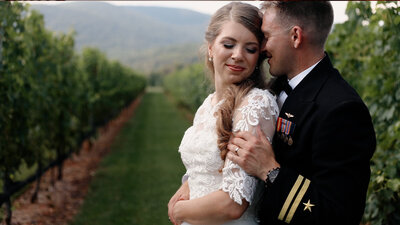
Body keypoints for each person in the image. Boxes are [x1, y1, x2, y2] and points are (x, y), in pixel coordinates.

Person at [226, 2, 376, 225]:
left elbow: (339, 215)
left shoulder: (341, 109)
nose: (262, 47)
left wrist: (270, 170)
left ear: (296, 36)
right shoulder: (271, 89)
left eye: (266, 36)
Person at [167, 2, 279, 225]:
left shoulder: (255, 103)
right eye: (228, 44)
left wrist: (179, 211)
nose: (238, 55)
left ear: (258, 57)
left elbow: (234, 203)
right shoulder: (207, 105)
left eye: (250, 48)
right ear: (210, 47)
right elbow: (205, 169)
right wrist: (188, 183)